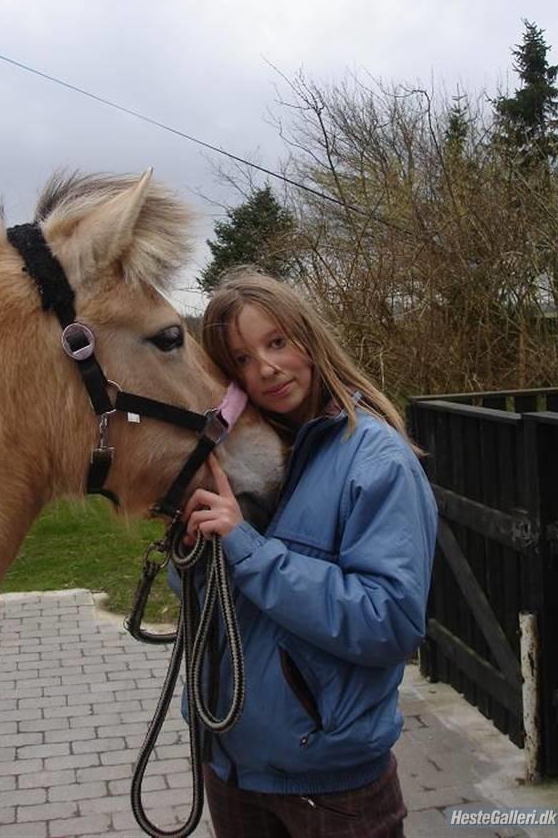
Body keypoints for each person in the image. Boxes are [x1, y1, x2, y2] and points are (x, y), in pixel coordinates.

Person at [178, 269, 438, 838]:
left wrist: (245, 549)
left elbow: (387, 620)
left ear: (309, 337)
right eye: (242, 359)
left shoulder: (376, 461)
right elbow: (213, 610)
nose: (265, 368)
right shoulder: (242, 461)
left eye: (276, 343)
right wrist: (193, 555)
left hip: (332, 786)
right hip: (232, 768)